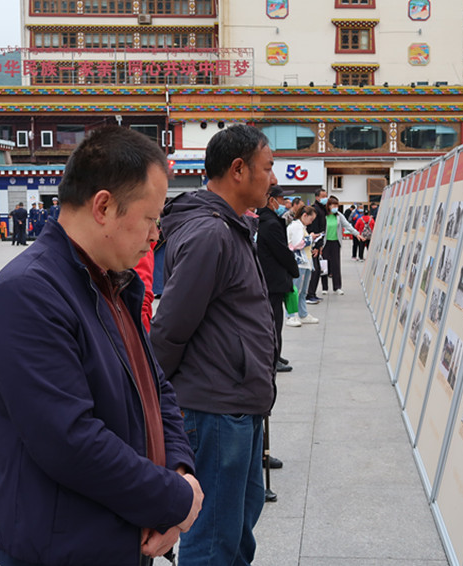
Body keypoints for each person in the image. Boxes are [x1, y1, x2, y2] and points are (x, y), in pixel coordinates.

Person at [0, 126, 203, 566]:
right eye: (151, 219)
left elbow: (157, 390)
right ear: (104, 206)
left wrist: (178, 472)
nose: (156, 235)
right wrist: (174, 499)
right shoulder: (27, 294)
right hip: (65, 550)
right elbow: (70, 440)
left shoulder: (113, 284)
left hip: (124, 540)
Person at [151, 124, 278, 566]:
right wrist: (155, 395)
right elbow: (171, 327)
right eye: (268, 167)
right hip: (216, 408)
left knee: (237, 527)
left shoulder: (231, 226)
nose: (273, 178)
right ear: (238, 169)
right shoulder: (211, 233)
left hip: (238, 402)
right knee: (214, 540)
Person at [257, 186, 300, 373]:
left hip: (270, 279)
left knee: (274, 319)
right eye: (282, 199)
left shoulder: (267, 220)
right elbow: (282, 252)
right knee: (274, 322)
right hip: (273, 280)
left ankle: (276, 354)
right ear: (271, 200)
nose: (285, 203)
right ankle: (273, 359)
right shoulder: (271, 224)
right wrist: (294, 269)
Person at [321, 195, 363, 295]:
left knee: (336, 265)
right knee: (324, 265)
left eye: (337, 206)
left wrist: (357, 234)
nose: (335, 207)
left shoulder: (339, 216)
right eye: (333, 205)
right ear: (328, 206)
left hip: (336, 242)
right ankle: (324, 288)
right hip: (325, 243)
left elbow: (347, 225)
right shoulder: (324, 215)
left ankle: (337, 287)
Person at [286, 205, 320, 327]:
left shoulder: (301, 227)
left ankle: (303, 314)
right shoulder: (296, 226)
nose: (311, 222)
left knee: (303, 291)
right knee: (295, 290)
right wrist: (310, 238)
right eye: (311, 219)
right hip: (299, 263)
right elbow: (297, 244)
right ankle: (290, 316)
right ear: (304, 215)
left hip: (306, 262)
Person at [305, 188, 328, 303]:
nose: (325, 198)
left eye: (326, 196)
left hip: (318, 242)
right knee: (315, 270)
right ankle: (309, 294)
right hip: (314, 243)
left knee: (317, 270)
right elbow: (314, 229)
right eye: (323, 196)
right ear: (317, 197)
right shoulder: (315, 210)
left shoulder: (322, 209)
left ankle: (312, 293)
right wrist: (315, 246)